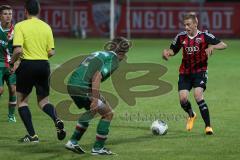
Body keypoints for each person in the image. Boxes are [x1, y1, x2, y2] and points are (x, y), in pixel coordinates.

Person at [162, 12, 227, 135]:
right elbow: (173, 50)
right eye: (185, 25)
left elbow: (223, 44)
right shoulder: (181, 37)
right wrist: (167, 53)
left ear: (195, 24)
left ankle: (208, 126)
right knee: (183, 99)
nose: (186, 27)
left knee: (198, 95)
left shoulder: (204, 36)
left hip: (200, 72)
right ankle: (191, 115)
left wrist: (213, 47)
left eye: (188, 24)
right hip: (185, 73)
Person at [65, 37, 131, 155]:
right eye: (125, 53)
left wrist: (97, 96)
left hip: (72, 84)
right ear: (121, 53)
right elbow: (97, 76)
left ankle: (73, 142)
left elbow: (87, 70)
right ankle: (97, 148)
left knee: (92, 110)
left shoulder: (99, 53)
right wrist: (95, 99)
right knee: (108, 113)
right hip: (82, 87)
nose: (124, 57)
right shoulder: (114, 60)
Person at [11, 0, 66, 142]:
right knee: (43, 102)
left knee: (22, 102)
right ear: (39, 10)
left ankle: (33, 136)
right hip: (43, 65)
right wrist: (40, 58)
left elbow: (18, 50)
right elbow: (52, 52)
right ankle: (56, 119)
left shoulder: (20, 26)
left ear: (25, 11)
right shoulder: (46, 27)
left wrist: (12, 62)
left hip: (27, 66)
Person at [0, 5, 17, 122]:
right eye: (5, 14)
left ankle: (11, 116)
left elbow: (20, 50)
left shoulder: (15, 31)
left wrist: (16, 64)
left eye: (10, 14)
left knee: (12, 90)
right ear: (0, 15)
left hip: (10, 65)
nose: (8, 16)